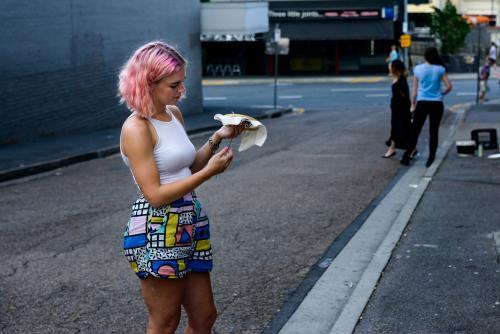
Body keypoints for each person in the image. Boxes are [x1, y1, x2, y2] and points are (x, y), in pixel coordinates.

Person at [118, 41, 245, 334]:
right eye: (174, 84)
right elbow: (155, 195)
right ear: (148, 83)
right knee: (165, 322)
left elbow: (185, 168)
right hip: (159, 225)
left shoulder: (173, 114)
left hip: (190, 219)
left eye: (182, 82)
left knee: (204, 317)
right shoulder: (137, 128)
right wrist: (210, 173)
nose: (181, 90)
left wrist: (218, 137)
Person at [401, 47, 452, 168]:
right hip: (436, 104)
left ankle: (407, 156)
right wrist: (441, 94)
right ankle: (431, 157)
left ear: (425, 56)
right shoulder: (440, 69)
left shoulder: (418, 69)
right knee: (433, 131)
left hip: (422, 102)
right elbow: (449, 86)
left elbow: (414, 91)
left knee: (415, 130)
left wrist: (413, 104)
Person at [383, 60, 412, 158]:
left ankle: (395, 149)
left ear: (395, 68)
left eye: (390, 66)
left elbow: (405, 96)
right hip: (396, 109)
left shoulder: (401, 80)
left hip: (401, 110)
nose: (389, 67)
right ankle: (392, 148)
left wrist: (409, 108)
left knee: (400, 129)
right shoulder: (396, 78)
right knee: (396, 129)